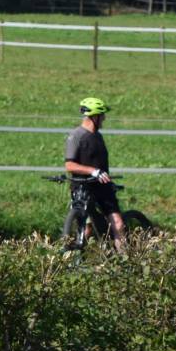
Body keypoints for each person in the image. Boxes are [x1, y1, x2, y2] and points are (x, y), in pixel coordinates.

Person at [64, 96, 125, 251]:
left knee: (118, 224)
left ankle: (125, 261)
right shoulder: (77, 136)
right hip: (83, 187)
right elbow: (69, 165)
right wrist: (93, 171)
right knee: (86, 230)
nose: (104, 118)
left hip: (102, 186)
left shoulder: (98, 135)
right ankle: (77, 260)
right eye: (102, 115)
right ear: (94, 116)